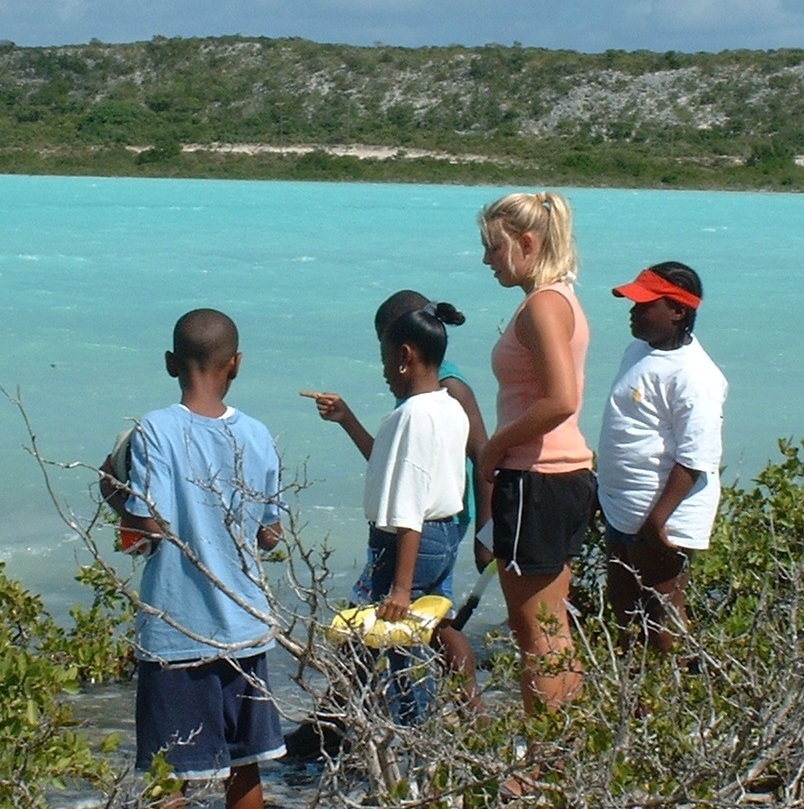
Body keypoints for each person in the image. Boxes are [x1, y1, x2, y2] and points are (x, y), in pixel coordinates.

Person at [104, 308, 286, 809]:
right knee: (245, 767)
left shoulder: (155, 431)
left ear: (170, 363)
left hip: (176, 632)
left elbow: (151, 525)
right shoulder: (258, 434)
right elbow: (271, 534)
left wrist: (111, 491)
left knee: (168, 776)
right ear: (237, 364)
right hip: (245, 627)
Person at [300, 291, 486, 711]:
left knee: (395, 643)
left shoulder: (411, 416)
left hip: (404, 546)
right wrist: (347, 418)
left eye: (385, 360)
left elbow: (408, 503)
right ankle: (404, 730)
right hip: (440, 538)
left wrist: (401, 587)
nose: (384, 371)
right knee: (420, 633)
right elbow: (397, 472)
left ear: (405, 355)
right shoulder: (448, 407)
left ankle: (402, 733)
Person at [475, 190, 597, 713]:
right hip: (560, 478)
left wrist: (495, 447)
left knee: (536, 635)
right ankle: (568, 750)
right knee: (554, 626)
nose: (487, 260)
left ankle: (548, 756)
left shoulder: (544, 305)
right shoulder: (562, 298)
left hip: (536, 479)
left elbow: (561, 399)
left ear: (527, 242)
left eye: (494, 247)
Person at [597, 262, 728, 655]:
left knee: (662, 614)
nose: (633, 311)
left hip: (663, 515)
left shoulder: (695, 376)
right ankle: (630, 703)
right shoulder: (637, 350)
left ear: (678, 311)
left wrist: (657, 521)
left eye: (645, 304)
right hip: (624, 508)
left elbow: (695, 458)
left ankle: (670, 700)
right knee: (623, 611)